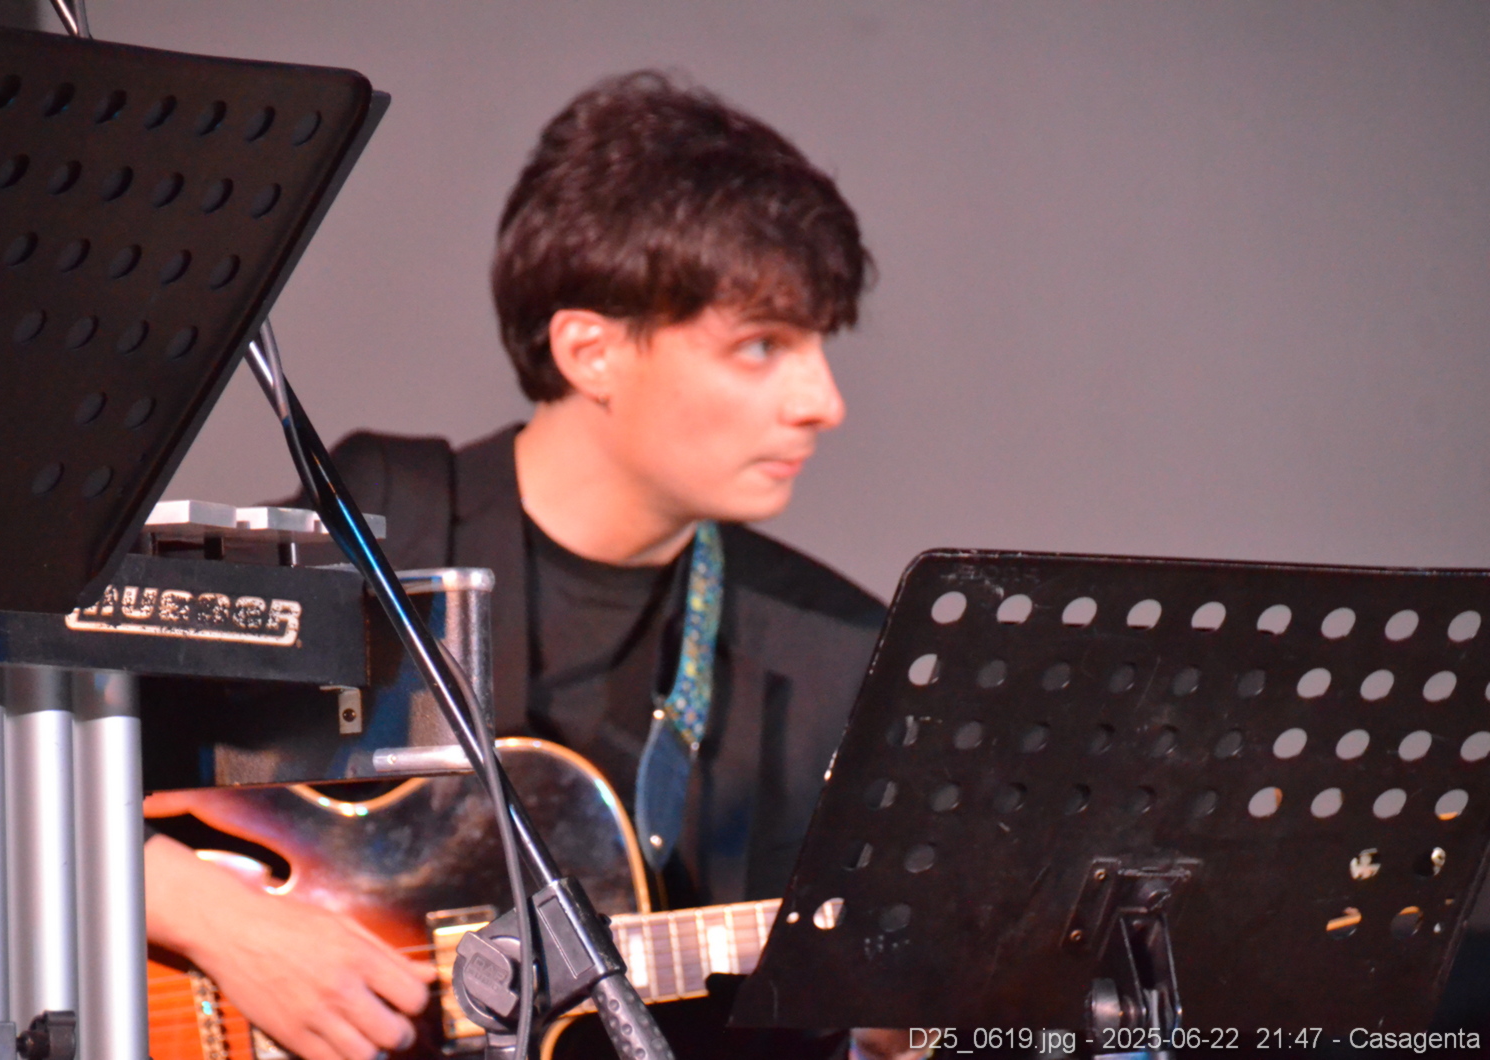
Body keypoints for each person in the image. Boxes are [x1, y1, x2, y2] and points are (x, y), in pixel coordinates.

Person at [146, 70, 915, 1060]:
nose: (823, 401)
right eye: (763, 346)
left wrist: (907, 1028)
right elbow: (4, 767)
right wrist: (224, 922)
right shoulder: (384, 527)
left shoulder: (835, 656)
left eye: (819, 345)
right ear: (590, 351)